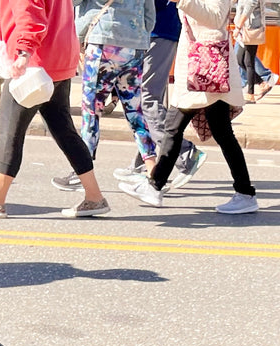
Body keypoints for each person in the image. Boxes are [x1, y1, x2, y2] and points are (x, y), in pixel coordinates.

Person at [0, 0, 108, 219]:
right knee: (64, 131)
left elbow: (30, 16)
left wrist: (23, 52)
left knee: (10, 132)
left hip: (34, 63)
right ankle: (94, 197)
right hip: (59, 59)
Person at [121, 0, 259, 214]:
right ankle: (245, 192)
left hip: (207, 65)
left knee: (173, 128)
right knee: (220, 133)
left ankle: (155, 186)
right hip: (200, 66)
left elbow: (215, 18)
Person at [77, 0, 160, 176]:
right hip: (134, 45)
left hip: (103, 40)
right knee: (135, 110)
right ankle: (151, 165)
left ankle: (83, 170)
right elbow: (150, 16)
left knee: (92, 108)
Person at [134, 0, 206, 186]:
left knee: (147, 98)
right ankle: (144, 160)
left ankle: (185, 153)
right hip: (157, 29)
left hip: (159, 29)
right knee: (146, 98)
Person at [236, 0, 273, 101]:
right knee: (240, 59)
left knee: (249, 62)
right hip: (244, 30)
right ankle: (262, 83)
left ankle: (250, 94)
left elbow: (248, 8)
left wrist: (238, 27)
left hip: (251, 29)